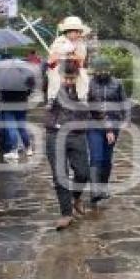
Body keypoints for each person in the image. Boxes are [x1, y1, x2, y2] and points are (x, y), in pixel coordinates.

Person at [45, 60, 91, 230]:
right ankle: (66, 214)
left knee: (83, 172)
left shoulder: (84, 88)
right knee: (60, 176)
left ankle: (75, 197)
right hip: (55, 134)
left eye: (72, 78)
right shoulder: (52, 85)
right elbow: (43, 75)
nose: (69, 81)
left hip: (77, 134)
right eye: (66, 78)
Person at [86, 56, 129, 205]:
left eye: (105, 69)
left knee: (106, 159)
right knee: (96, 157)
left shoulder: (117, 84)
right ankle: (94, 191)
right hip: (94, 124)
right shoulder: (89, 84)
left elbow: (124, 103)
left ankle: (103, 187)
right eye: (99, 70)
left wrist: (125, 120)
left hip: (113, 124)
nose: (102, 72)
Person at [46, 16, 90, 101]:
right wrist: (66, 53)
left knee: (83, 75)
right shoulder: (59, 41)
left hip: (75, 66)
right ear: (68, 31)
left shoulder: (80, 43)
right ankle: (52, 98)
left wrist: (73, 55)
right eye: (74, 31)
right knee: (54, 75)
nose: (77, 34)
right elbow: (53, 56)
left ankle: (83, 97)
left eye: (78, 32)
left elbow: (82, 58)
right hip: (59, 65)